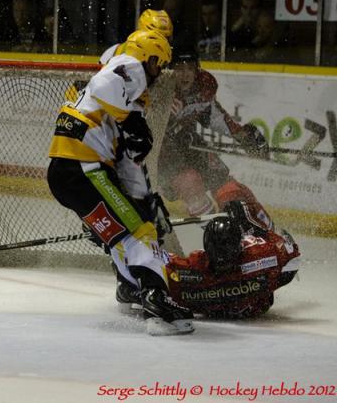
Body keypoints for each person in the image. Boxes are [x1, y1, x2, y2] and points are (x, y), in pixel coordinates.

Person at [47, 29, 195, 335]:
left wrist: (143, 200)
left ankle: (131, 288)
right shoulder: (128, 68)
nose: (157, 74)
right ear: (147, 57)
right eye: (158, 64)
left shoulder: (125, 103)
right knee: (138, 232)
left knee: (123, 234)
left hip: (69, 173)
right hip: (83, 168)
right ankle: (157, 301)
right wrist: (130, 121)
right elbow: (106, 81)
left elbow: (129, 166)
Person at [157, 47, 272, 229]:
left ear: (197, 69)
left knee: (225, 185)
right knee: (190, 182)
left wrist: (241, 135)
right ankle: (222, 236)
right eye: (179, 68)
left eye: (190, 68)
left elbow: (212, 116)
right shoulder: (160, 89)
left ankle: (264, 229)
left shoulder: (204, 84)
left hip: (189, 141)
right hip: (163, 156)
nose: (185, 74)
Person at [166, 202, 300, 319]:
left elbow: (291, 254)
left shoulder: (193, 269)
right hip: (255, 309)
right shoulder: (261, 255)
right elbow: (290, 251)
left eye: (226, 255)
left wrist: (250, 222)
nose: (222, 263)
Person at [99, 9, 173, 65]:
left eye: (166, 39)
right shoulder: (113, 52)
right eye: (156, 38)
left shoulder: (170, 58)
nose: (163, 44)